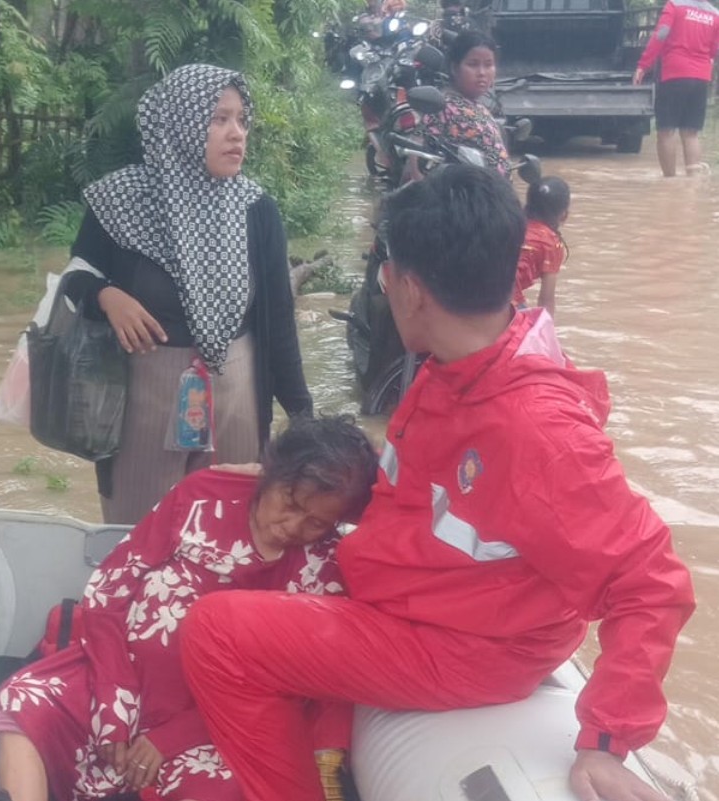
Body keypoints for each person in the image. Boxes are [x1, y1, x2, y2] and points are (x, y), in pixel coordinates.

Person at [181, 165, 695, 801]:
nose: (384, 283)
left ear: (411, 289)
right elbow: (418, 490)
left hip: (468, 645)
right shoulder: (459, 366)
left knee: (215, 634)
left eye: (386, 271)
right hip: (437, 598)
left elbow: (652, 580)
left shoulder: (533, 428)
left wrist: (608, 741)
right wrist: (287, 475)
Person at [0, 414, 379, 801]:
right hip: (118, 675)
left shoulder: (325, 569)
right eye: (290, 502)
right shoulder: (203, 496)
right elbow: (109, 592)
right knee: (26, 696)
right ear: (270, 472)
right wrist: (115, 700)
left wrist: (172, 737)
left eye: (316, 523)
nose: (293, 526)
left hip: (216, 723)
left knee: (232, 787)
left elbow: (290, 687)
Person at [61, 63, 312, 525]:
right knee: (139, 532)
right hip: (143, 394)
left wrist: (302, 415)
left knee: (229, 530)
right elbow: (74, 277)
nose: (236, 134)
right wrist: (106, 296)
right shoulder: (122, 202)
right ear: (180, 123)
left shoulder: (256, 210)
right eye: (218, 119)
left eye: (241, 119)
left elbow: (278, 319)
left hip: (237, 391)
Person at [633, 0, 719, 177]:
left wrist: (643, 64)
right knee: (691, 133)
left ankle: (669, 181)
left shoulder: (674, 5)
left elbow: (661, 35)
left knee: (666, 130)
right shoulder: (715, 14)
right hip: (701, 77)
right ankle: (693, 182)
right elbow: (714, 49)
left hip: (674, 73)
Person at [414, 30, 510, 177]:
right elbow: (416, 162)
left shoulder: (477, 106)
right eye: (473, 64)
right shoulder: (443, 107)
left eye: (489, 65)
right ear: (454, 68)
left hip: (494, 195)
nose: (482, 73)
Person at [513, 176, 571, 318]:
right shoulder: (551, 243)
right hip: (504, 301)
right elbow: (546, 300)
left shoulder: (511, 223)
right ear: (564, 215)